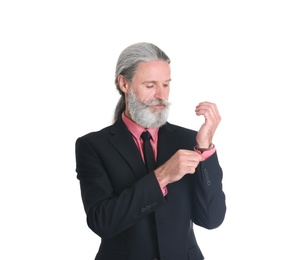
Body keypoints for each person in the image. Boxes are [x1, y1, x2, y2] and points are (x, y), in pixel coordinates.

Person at [75, 42, 226, 260]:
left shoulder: (188, 140)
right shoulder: (93, 146)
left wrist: (205, 149)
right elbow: (102, 222)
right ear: (124, 84)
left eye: (166, 84)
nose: (161, 94)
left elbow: (211, 219)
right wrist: (163, 175)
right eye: (150, 85)